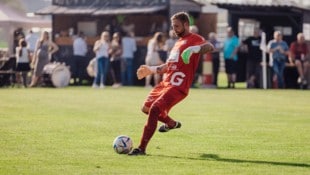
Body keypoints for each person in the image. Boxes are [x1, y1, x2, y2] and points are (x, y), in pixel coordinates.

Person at [128, 12, 214, 156]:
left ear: (186, 24)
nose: (174, 29)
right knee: (146, 109)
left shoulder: (195, 39)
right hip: (165, 83)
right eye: (173, 26)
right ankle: (171, 123)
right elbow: (168, 66)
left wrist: (195, 49)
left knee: (155, 109)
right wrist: (151, 70)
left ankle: (141, 148)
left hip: (178, 86)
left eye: (177, 26)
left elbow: (209, 46)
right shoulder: (177, 43)